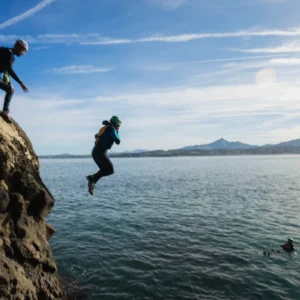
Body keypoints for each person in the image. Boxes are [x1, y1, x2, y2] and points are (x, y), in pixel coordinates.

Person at [86, 116, 122, 195]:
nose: (119, 127)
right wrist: (117, 138)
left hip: (96, 152)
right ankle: (91, 178)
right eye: (119, 126)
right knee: (110, 170)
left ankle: (92, 181)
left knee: (104, 170)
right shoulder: (111, 129)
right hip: (100, 153)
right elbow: (117, 140)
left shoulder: (106, 128)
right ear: (116, 124)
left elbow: (97, 136)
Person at [0, 39, 29, 121]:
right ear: (17, 46)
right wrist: (21, 83)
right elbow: (9, 70)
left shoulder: (11, 57)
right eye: (23, 50)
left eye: (25, 51)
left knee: (10, 89)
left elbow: (6, 72)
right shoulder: (7, 52)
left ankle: (5, 111)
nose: (23, 53)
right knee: (10, 89)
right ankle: (5, 112)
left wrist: (9, 83)